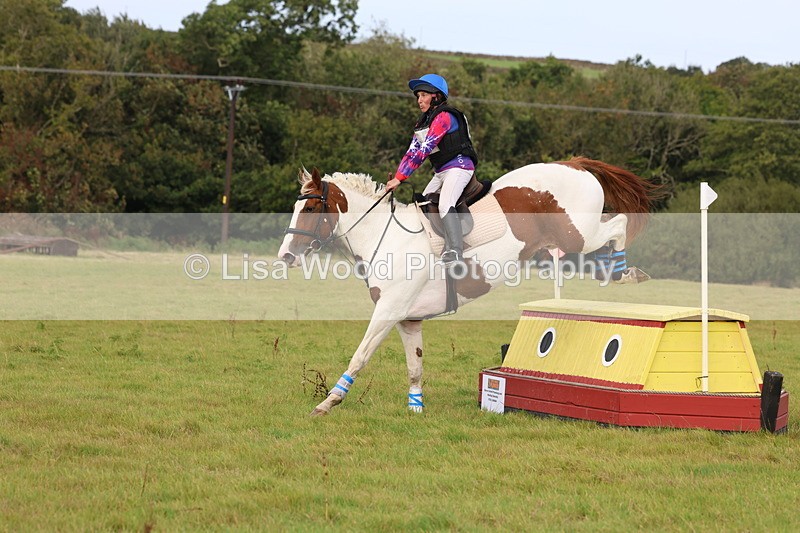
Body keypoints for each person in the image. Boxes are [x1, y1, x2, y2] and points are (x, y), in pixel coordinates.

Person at [386, 73, 478, 267]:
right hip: (442, 171)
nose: (419, 100)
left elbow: (424, 150)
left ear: (436, 96)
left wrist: (400, 179)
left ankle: (455, 251)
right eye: (418, 96)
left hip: (460, 166)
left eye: (424, 95)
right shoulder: (422, 123)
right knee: (424, 204)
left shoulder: (444, 117)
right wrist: (396, 177)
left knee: (444, 204)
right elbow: (411, 152)